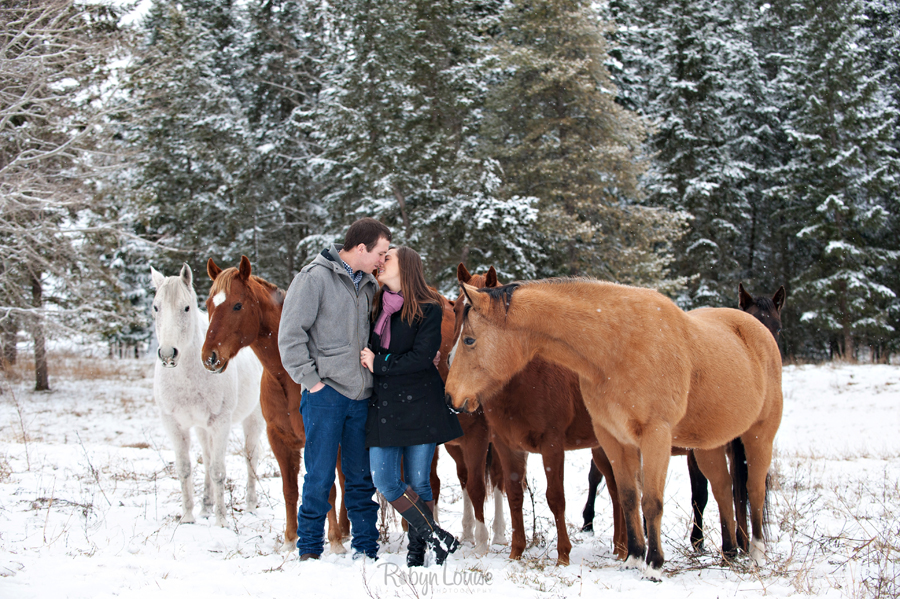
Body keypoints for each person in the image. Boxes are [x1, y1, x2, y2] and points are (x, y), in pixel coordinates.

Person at [279, 217, 391, 561]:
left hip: (361, 397)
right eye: (381, 253)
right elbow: (290, 337)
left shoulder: (370, 285)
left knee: (360, 479)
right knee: (320, 477)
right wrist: (312, 382)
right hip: (325, 396)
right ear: (361, 248)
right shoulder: (313, 279)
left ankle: (365, 549)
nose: (383, 261)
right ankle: (310, 551)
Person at [360, 246, 463, 567]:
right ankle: (438, 536)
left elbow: (422, 358)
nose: (381, 262)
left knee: (419, 481)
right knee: (384, 479)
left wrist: (380, 363)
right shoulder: (376, 305)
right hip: (385, 405)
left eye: (387, 257)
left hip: (420, 402)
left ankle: (417, 551)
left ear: (405, 267)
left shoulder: (430, 308)